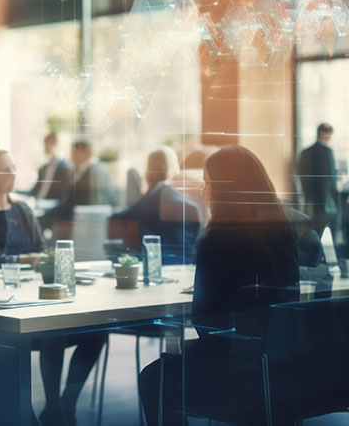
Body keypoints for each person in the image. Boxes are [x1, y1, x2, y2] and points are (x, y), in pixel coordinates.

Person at [139, 145, 300, 426]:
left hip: (240, 377)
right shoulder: (282, 231)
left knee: (154, 378)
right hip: (286, 370)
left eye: (208, 182)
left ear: (227, 189)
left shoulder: (218, 243)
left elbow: (204, 321)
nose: (203, 191)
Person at [0, 147, 104, 426]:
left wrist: (41, 260)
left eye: (14, 167)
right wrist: (28, 259)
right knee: (53, 333)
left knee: (97, 332)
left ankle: (62, 405)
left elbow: (43, 252)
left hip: (35, 300)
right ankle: (53, 410)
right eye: (6, 169)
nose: (13, 173)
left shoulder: (23, 210)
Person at [110, 147, 201, 264]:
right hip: (186, 264)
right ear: (173, 167)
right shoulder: (188, 205)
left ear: (149, 170)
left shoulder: (150, 200)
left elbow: (119, 217)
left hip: (160, 265)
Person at [41, 138, 116, 228]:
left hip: (80, 219)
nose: (71, 158)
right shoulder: (98, 169)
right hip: (88, 217)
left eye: (73, 153)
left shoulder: (91, 173)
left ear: (85, 152)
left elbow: (74, 201)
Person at [298, 123, 339, 236]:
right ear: (327, 135)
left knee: (313, 232)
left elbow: (301, 176)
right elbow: (331, 178)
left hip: (310, 200)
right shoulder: (327, 151)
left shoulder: (305, 152)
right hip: (326, 202)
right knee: (329, 232)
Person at [29, 133, 73, 201]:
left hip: (52, 203)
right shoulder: (43, 168)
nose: (46, 146)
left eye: (49, 143)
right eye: (45, 143)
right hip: (37, 201)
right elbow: (34, 190)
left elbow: (64, 194)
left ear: (56, 145)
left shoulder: (65, 167)